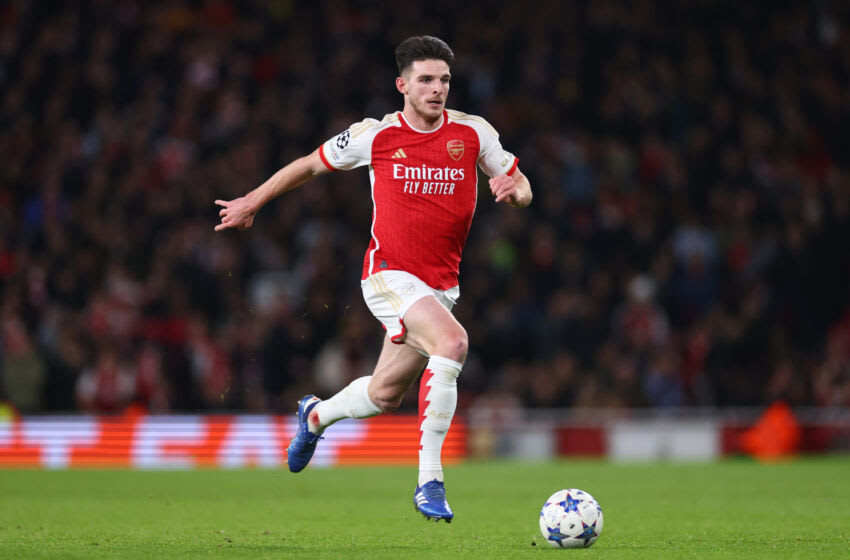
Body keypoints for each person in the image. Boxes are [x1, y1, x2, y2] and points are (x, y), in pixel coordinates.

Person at [214, 35, 532, 523]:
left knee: (385, 395)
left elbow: (523, 184)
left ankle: (315, 416)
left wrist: (515, 191)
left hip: (439, 288)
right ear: (402, 84)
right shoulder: (376, 136)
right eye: (425, 79)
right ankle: (430, 480)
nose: (437, 89)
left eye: (444, 80)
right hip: (387, 275)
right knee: (453, 344)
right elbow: (309, 165)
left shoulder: (473, 134)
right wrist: (254, 201)